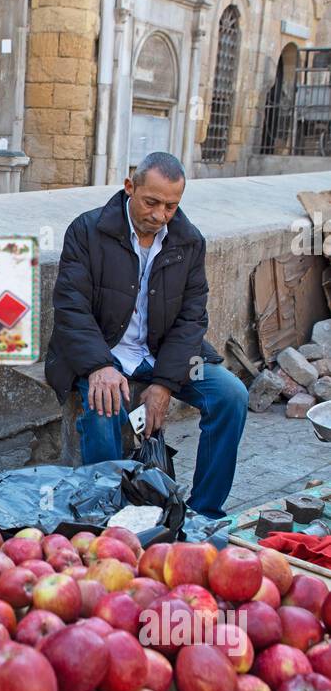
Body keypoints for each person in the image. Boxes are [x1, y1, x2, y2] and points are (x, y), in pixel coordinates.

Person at [45, 150, 247, 520]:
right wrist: (99, 366)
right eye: (151, 202)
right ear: (129, 188)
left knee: (231, 395)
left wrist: (166, 384)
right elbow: (72, 308)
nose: (160, 215)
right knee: (103, 403)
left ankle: (205, 512)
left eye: (171, 206)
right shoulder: (87, 231)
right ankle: (110, 515)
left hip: (161, 357)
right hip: (103, 353)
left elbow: (191, 319)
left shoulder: (189, 242)